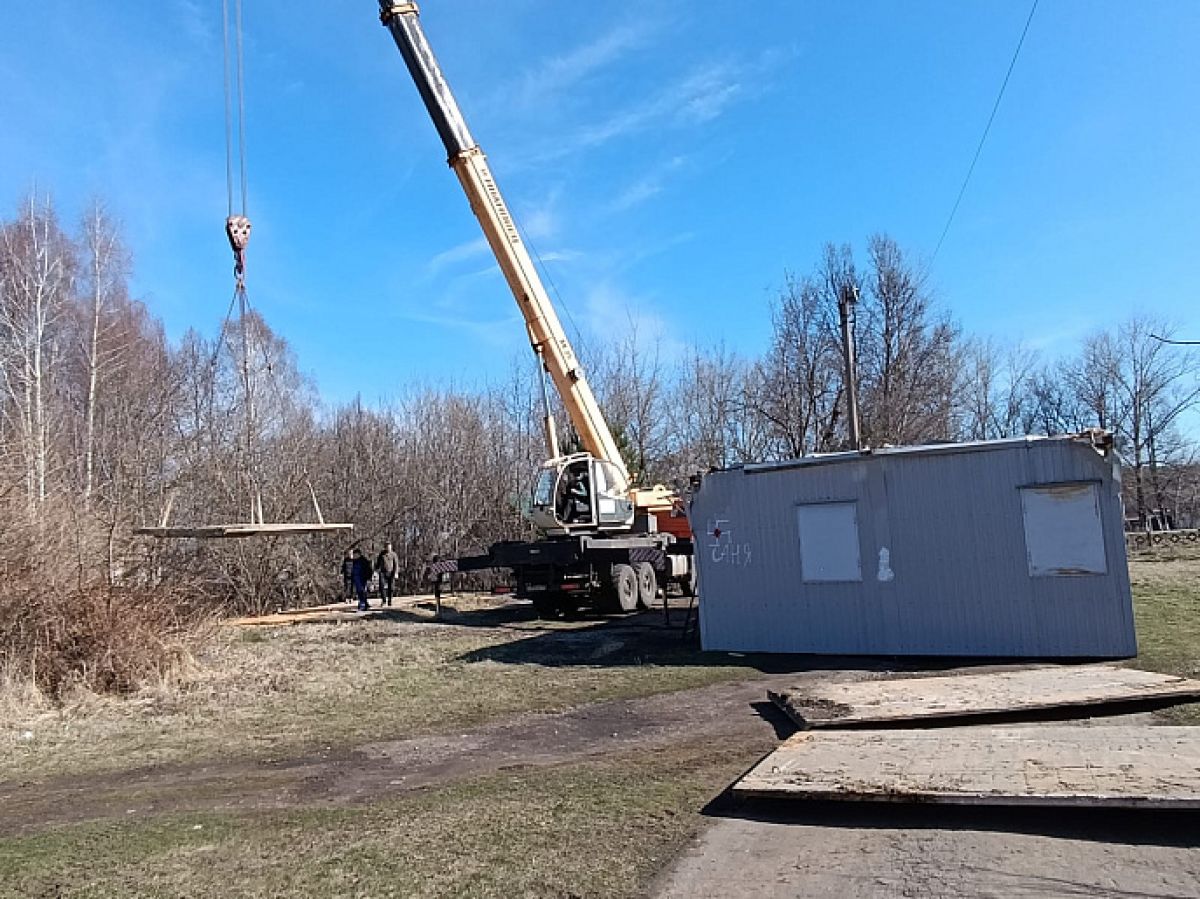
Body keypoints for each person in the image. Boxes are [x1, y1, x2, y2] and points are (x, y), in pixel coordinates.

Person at [375, 541, 400, 608]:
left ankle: (390, 600)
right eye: (387, 547)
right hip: (383, 572)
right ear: (385, 547)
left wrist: (396, 573)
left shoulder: (394, 554)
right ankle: (383, 600)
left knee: (391, 587)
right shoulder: (382, 554)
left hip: (391, 572)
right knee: (381, 585)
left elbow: (396, 564)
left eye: (389, 547)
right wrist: (376, 570)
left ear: (391, 547)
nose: (388, 548)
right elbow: (378, 563)